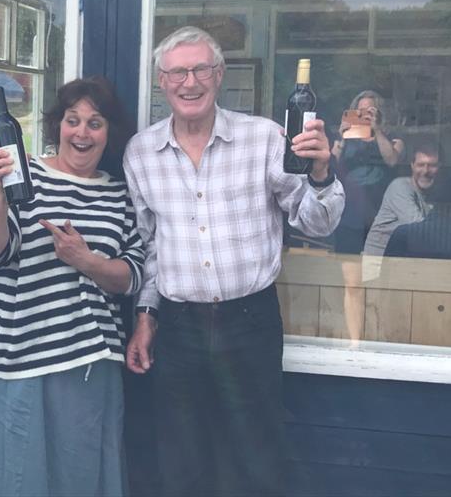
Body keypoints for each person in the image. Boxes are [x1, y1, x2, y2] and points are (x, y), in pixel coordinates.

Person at [124, 26, 344, 497]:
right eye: (178, 72)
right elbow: (151, 249)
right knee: (181, 458)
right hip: (178, 327)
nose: (191, 81)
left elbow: (317, 222)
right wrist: (146, 316)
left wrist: (322, 174)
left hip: (250, 320)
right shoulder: (141, 153)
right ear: (161, 81)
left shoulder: (263, 139)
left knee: (256, 456)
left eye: (201, 68)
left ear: (219, 75)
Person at [0, 77, 145, 497]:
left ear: (109, 132)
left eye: (95, 123)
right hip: (21, 360)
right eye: (72, 120)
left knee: (80, 482)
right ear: (57, 125)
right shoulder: (25, 176)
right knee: (21, 484)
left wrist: (87, 261)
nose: (82, 132)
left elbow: (132, 275)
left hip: (89, 363)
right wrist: (3, 196)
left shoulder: (118, 195)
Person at [330, 90, 404, 341]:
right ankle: (354, 342)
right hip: (350, 217)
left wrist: (377, 130)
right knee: (352, 283)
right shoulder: (346, 140)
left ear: (379, 113)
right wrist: (340, 137)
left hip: (379, 219)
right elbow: (329, 165)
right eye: (360, 112)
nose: (364, 116)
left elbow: (392, 160)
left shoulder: (392, 139)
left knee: (376, 281)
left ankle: (377, 337)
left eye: (370, 111)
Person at [363, 141, 441, 256]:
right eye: (420, 165)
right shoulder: (400, 187)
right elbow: (419, 230)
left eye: (432, 165)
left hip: (404, 259)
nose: (425, 171)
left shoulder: (437, 193)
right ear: (412, 166)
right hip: (379, 262)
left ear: (440, 167)